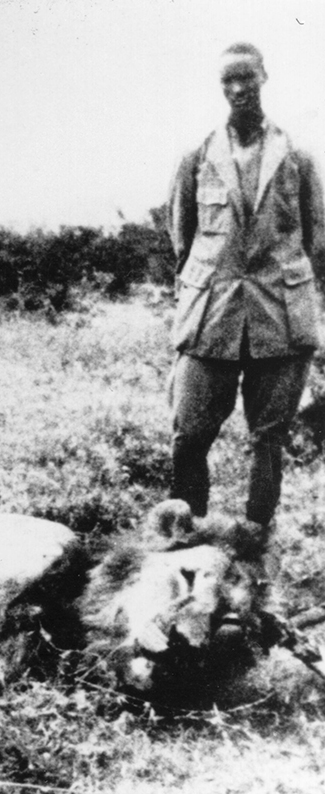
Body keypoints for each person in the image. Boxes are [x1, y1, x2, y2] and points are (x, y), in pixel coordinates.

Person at [167, 43, 324, 539]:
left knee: (268, 439)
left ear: (263, 77)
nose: (237, 90)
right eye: (227, 81)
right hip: (210, 317)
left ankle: (254, 543)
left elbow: (314, 237)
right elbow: (182, 238)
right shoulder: (196, 157)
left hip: (279, 317)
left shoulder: (296, 156)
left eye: (246, 79)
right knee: (189, 435)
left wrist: (279, 280)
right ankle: (187, 542)